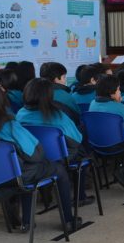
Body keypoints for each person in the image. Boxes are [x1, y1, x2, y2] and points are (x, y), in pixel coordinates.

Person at [0, 80, 76, 231]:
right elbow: (36, 154)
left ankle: (25, 220)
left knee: (24, 168)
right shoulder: (9, 125)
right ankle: (68, 221)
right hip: (15, 177)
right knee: (56, 170)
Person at [17, 78, 94, 207]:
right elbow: (76, 139)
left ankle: (46, 193)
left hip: (32, 160)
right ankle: (80, 197)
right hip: (60, 158)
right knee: (83, 153)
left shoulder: (20, 114)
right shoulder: (57, 115)